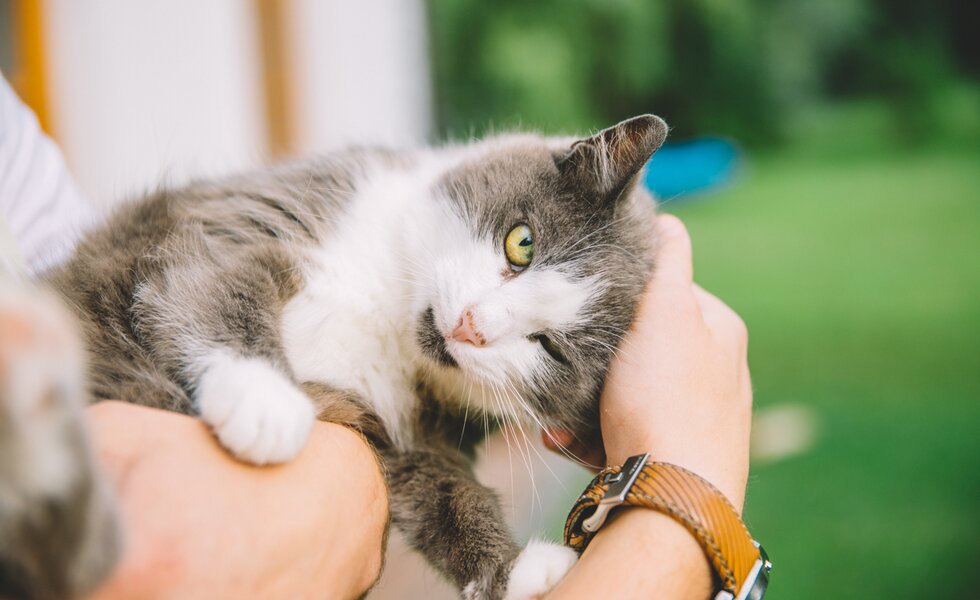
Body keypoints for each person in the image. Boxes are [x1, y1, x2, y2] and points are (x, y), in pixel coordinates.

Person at [0, 75, 752, 598]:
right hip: (108, 381)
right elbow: (171, 269)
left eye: (546, 346)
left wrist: (489, 565)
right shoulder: (369, 198)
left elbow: (412, 461)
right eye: (518, 249)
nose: (478, 323)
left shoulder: (448, 395)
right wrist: (244, 367)